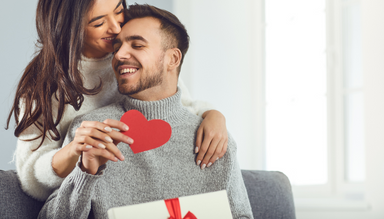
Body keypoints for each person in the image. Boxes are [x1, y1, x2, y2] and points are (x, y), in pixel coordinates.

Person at [38, 4, 253, 219]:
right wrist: (86, 172)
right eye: (117, 47)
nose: (119, 55)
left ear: (173, 59)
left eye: (137, 45)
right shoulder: (92, 132)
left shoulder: (214, 138)